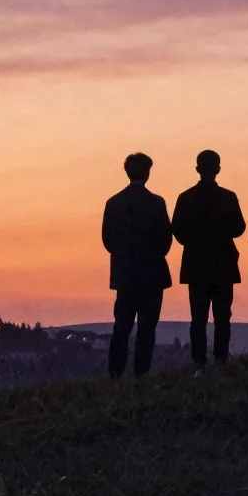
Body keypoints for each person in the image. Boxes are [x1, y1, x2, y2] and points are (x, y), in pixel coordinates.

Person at [171, 150, 246, 374]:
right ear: (218, 169)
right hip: (223, 264)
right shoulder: (228, 197)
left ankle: (199, 362)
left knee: (198, 317)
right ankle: (220, 359)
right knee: (222, 316)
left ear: (197, 169)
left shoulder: (185, 198)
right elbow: (239, 228)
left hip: (196, 265)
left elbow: (177, 231)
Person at [101, 152, 173, 378]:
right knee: (147, 329)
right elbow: (166, 239)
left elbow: (107, 240)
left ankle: (115, 373)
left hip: (125, 275)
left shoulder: (113, 203)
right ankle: (142, 374)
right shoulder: (156, 203)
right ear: (148, 173)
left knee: (121, 327)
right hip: (152, 275)